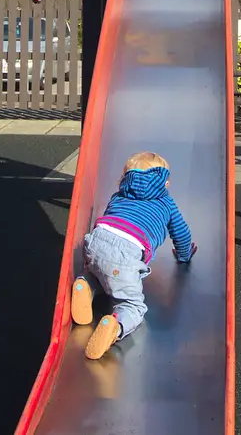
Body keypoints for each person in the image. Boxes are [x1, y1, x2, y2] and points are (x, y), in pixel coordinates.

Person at [71, 151, 196, 360]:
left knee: (100, 271)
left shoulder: (119, 195)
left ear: (125, 178)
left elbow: (110, 215)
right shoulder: (167, 203)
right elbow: (182, 234)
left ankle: (85, 283)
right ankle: (115, 325)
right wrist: (184, 255)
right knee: (133, 306)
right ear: (165, 183)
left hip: (96, 240)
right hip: (126, 256)